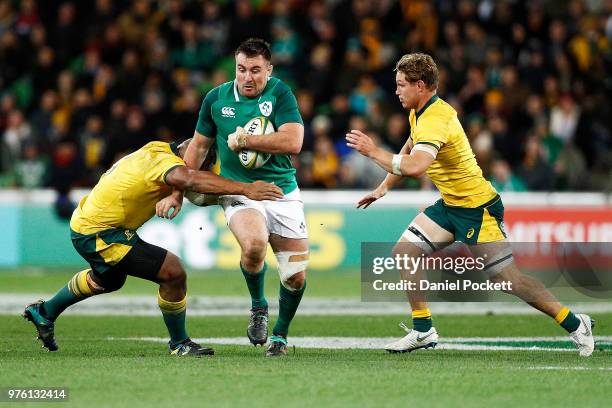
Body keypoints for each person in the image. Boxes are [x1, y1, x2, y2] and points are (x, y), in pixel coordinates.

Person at [346, 53, 595, 357]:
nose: (396, 91)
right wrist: (383, 187)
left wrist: (373, 151)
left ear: (420, 85)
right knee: (405, 253)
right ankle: (423, 330)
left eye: (401, 85)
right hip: (451, 203)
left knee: (508, 280)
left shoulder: (436, 118)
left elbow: (416, 166)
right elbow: (411, 145)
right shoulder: (420, 111)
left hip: (477, 207)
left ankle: (576, 323)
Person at [23, 139, 283, 356]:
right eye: (206, 168)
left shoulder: (157, 148)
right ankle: (179, 343)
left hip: (89, 222)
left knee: (108, 280)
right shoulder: (168, 166)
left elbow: (188, 181)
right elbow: (191, 180)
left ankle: (44, 312)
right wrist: (247, 189)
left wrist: (186, 193)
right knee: (173, 272)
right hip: (101, 232)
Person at [157, 38, 308, 357]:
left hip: (282, 192)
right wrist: (177, 193)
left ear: (269, 69)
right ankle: (258, 307)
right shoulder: (216, 99)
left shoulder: (280, 93)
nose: (248, 77)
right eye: (242, 69)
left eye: (255, 70)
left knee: (295, 277)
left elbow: (294, 141)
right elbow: (197, 148)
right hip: (239, 192)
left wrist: (248, 141)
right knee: (253, 246)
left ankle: (280, 335)